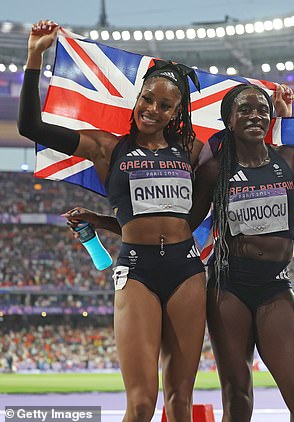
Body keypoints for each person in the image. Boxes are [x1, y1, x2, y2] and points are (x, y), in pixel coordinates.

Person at [19, 20, 206, 421]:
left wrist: (281, 112)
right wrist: (36, 55)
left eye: (165, 105)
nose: (153, 110)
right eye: (148, 99)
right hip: (137, 269)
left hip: (188, 269)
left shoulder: (192, 150)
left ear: (177, 111)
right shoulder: (107, 147)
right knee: (141, 404)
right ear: (137, 98)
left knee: (181, 403)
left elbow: (185, 209)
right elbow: (30, 127)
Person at [190, 83, 294, 421]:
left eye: (262, 109)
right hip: (228, 285)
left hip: (275, 285)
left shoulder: (289, 159)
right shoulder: (214, 170)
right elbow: (183, 223)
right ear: (229, 120)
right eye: (245, 110)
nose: (255, 115)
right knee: (237, 394)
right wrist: (117, 225)